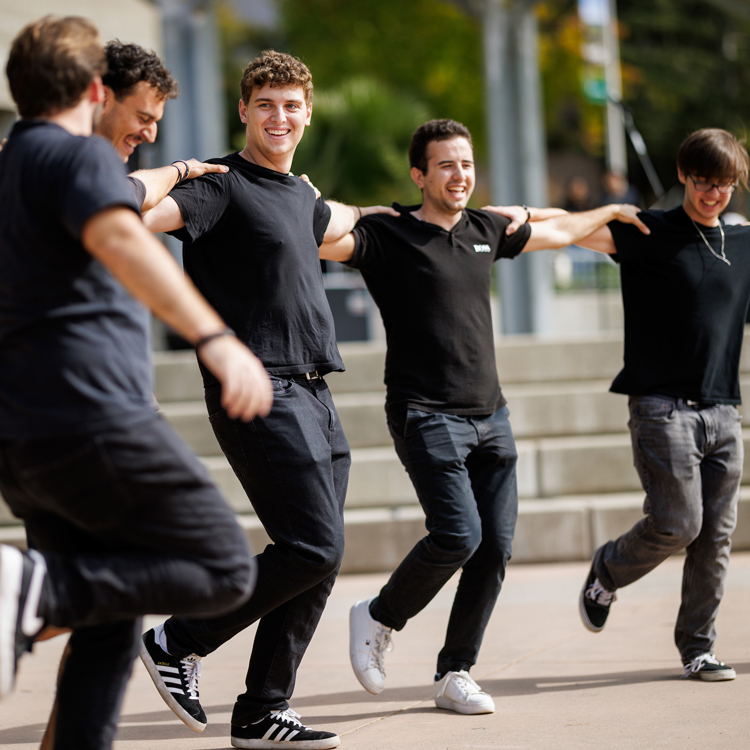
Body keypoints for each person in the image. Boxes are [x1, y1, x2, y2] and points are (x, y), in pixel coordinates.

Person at [0, 15, 273, 750]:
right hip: (88, 419)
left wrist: (180, 172)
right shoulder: (79, 158)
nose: (146, 135)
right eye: (141, 119)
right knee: (218, 565)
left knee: (111, 621)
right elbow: (121, 233)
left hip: (23, 437)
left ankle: (35, 598)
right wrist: (215, 339)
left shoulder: (11, 166)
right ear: (93, 90)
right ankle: (25, 594)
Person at [318, 118, 648, 714]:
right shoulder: (389, 236)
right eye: (445, 165)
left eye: (466, 164)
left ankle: (454, 673)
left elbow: (559, 230)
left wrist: (610, 212)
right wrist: (364, 210)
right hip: (425, 414)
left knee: (494, 549)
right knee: (459, 535)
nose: (459, 175)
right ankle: (377, 616)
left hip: (491, 415)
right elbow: (317, 232)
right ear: (419, 174)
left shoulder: (484, 228)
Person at [139, 50, 393, 750]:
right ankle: (176, 640)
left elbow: (352, 226)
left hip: (314, 387)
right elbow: (130, 207)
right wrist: (184, 170)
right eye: (266, 104)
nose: (279, 116)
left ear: (306, 114)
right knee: (312, 544)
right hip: (259, 388)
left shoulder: (300, 197)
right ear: (245, 111)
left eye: (291, 106)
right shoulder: (220, 186)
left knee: (319, 551)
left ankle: (261, 711)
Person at [505, 128, 749, 682]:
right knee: (679, 522)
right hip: (662, 409)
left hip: (724, 412)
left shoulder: (744, 244)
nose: (714, 194)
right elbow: (566, 228)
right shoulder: (649, 230)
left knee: (715, 536)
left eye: (726, 185)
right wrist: (518, 212)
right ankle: (608, 569)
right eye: (705, 182)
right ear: (684, 175)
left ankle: (698, 648)